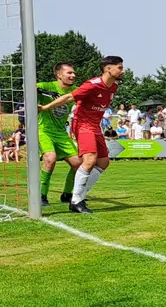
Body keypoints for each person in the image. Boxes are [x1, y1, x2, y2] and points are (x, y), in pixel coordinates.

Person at [39, 55, 124, 213]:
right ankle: (76, 200)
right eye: (119, 67)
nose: (122, 70)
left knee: (104, 162)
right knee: (89, 159)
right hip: (83, 125)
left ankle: (78, 195)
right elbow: (69, 97)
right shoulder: (92, 85)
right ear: (108, 68)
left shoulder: (113, 88)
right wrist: (46, 107)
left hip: (95, 126)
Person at [36, 62, 85, 205]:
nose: (73, 75)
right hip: (44, 131)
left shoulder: (75, 90)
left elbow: (88, 92)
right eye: (69, 73)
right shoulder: (48, 86)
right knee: (50, 159)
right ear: (59, 75)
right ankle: (42, 195)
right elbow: (26, 87)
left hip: (61, 133)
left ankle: (67, 194)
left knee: (78, 163)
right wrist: (48, 94)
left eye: (73, 73)